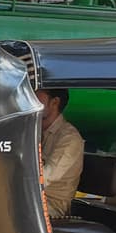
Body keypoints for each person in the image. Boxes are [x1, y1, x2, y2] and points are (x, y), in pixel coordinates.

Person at [36, 87, 84, 219]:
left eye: (36, 96)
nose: (30, 101)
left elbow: (44, 179)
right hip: (31, 199)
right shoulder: (34, 130)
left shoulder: (69, 138)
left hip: (50, 207)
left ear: (54, 102)